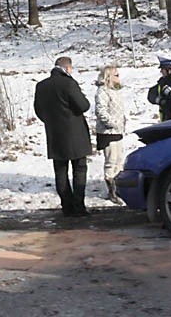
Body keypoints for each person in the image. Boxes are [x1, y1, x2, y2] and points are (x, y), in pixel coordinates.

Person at [34, 56, 92, 217]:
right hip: (75, 135)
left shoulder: (41, 86)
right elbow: (83, 105)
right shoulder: (69, 83)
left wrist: (51, 122)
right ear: (67, 68)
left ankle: (67, 206)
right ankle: (79, 206)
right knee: (79, 169)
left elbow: (38, 111)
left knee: (60, 171)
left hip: (54, 135)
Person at [94, 65, 125, 204]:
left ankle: (119, 188)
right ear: (109, 77)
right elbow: (101, 111)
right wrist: (112, 123)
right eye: (116, 75)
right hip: (108, 132)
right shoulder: (103, 91)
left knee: (119, 160)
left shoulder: (116, 91)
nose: (119, 77)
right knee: (111, 161)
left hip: (118, 130)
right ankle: (111, 190)